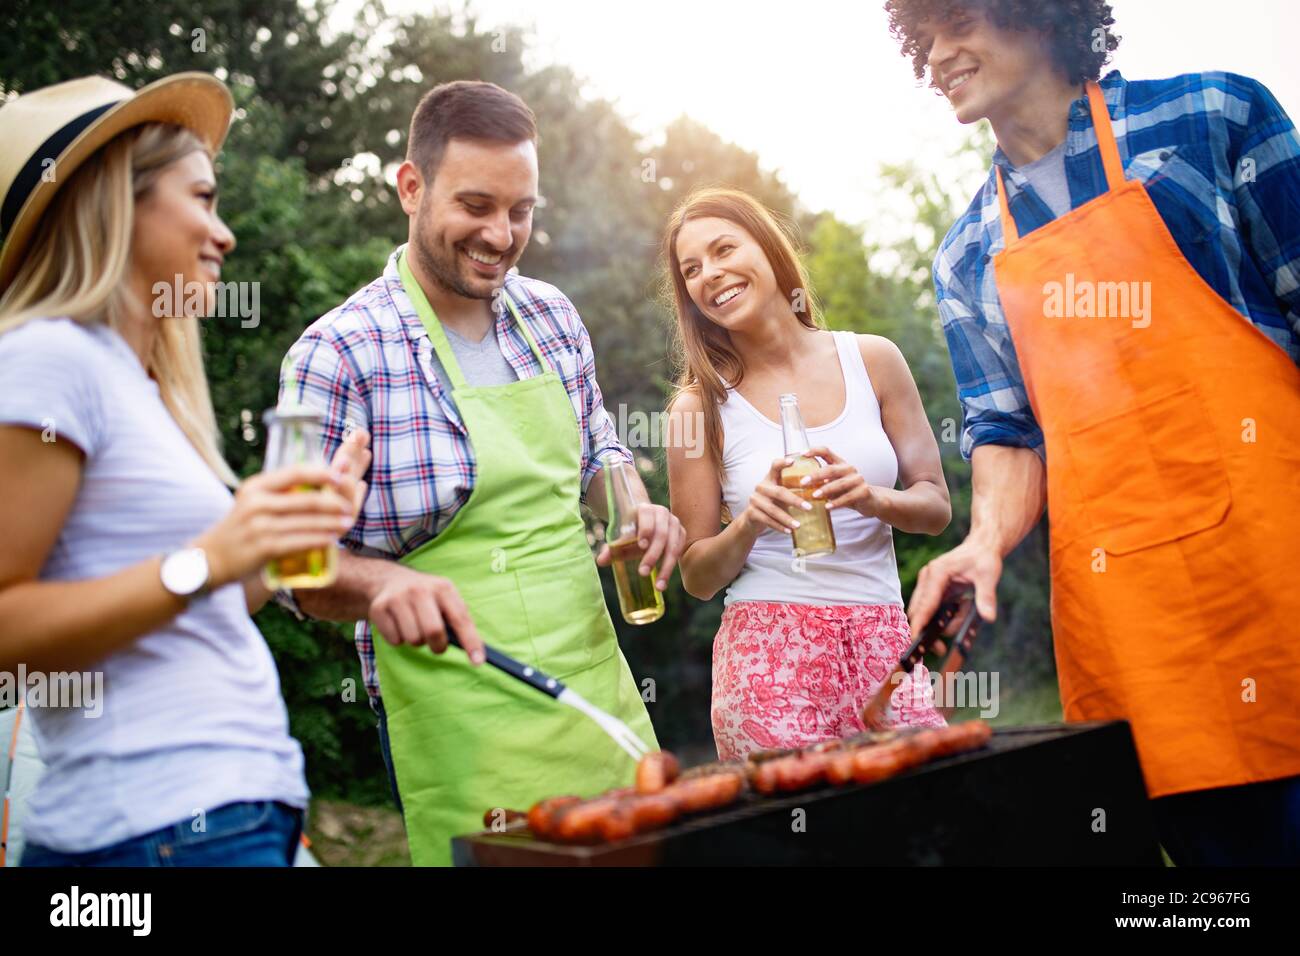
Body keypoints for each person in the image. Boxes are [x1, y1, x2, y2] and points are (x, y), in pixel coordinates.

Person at [886, 0, 1300, 864]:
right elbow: (1006, 434)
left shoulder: (1212, 118)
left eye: (955, 19)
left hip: (1279, 574)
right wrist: (983, 543)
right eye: (921, 34)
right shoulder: (967, 253)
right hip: (1139, 630)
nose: (936, 53)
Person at [280, 80, 686, 866]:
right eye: (476, 205)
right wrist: (378, 586)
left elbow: (599, 452)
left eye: (522, 210)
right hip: (457, 717)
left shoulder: (552, 318)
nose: (501, 235)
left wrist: (633, 507)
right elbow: (293, 569)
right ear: (410, 187)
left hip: (594, 690)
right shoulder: (335, 355)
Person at [0, 72, 370, 866]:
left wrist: (279, 541)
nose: (224, 232)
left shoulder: (139, 391)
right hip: (155, 828)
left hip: (232, 815)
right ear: (113, 203)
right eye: (202, 197)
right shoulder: (49, 359)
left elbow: (212, 597)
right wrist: (210, 556)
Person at [662, 187, 951, 760]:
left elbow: (936, 506)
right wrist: (747, 523)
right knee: (806, 842)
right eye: (691, 269)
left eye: (724, 249)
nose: (710, 275)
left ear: (768, 249)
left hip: (884, 641)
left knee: (931, 822)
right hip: (768, 659)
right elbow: (696, 576)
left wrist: (873, 499)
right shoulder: (697, 409)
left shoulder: (873, 360)